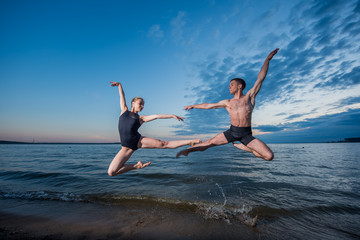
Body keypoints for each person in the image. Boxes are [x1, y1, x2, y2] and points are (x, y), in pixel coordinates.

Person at [176, 48, 279, 161]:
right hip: (232, 132)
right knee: (209, 143)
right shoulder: (227, 102)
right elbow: (209, 105)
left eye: (232, 84)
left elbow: (260, 79)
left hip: (246, 134)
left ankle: (246, 148)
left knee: (269, 156)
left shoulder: (249, 97)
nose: (229, 87)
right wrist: (193, 106)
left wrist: (267, 60)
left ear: (240, 86)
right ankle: (186, 151)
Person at [108, 81, 201, 176]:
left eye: (143, 105)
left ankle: (190, 142)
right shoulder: (124, 110)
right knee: (111, 172)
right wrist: (119, 85)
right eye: (140, 104)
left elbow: (157, 116)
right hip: (125, 149)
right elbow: (121, 96)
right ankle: (137, 166)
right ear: (133, 103)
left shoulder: (141, 118)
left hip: (138, 141)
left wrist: (172, 115)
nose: (142, 106)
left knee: (164, 144)